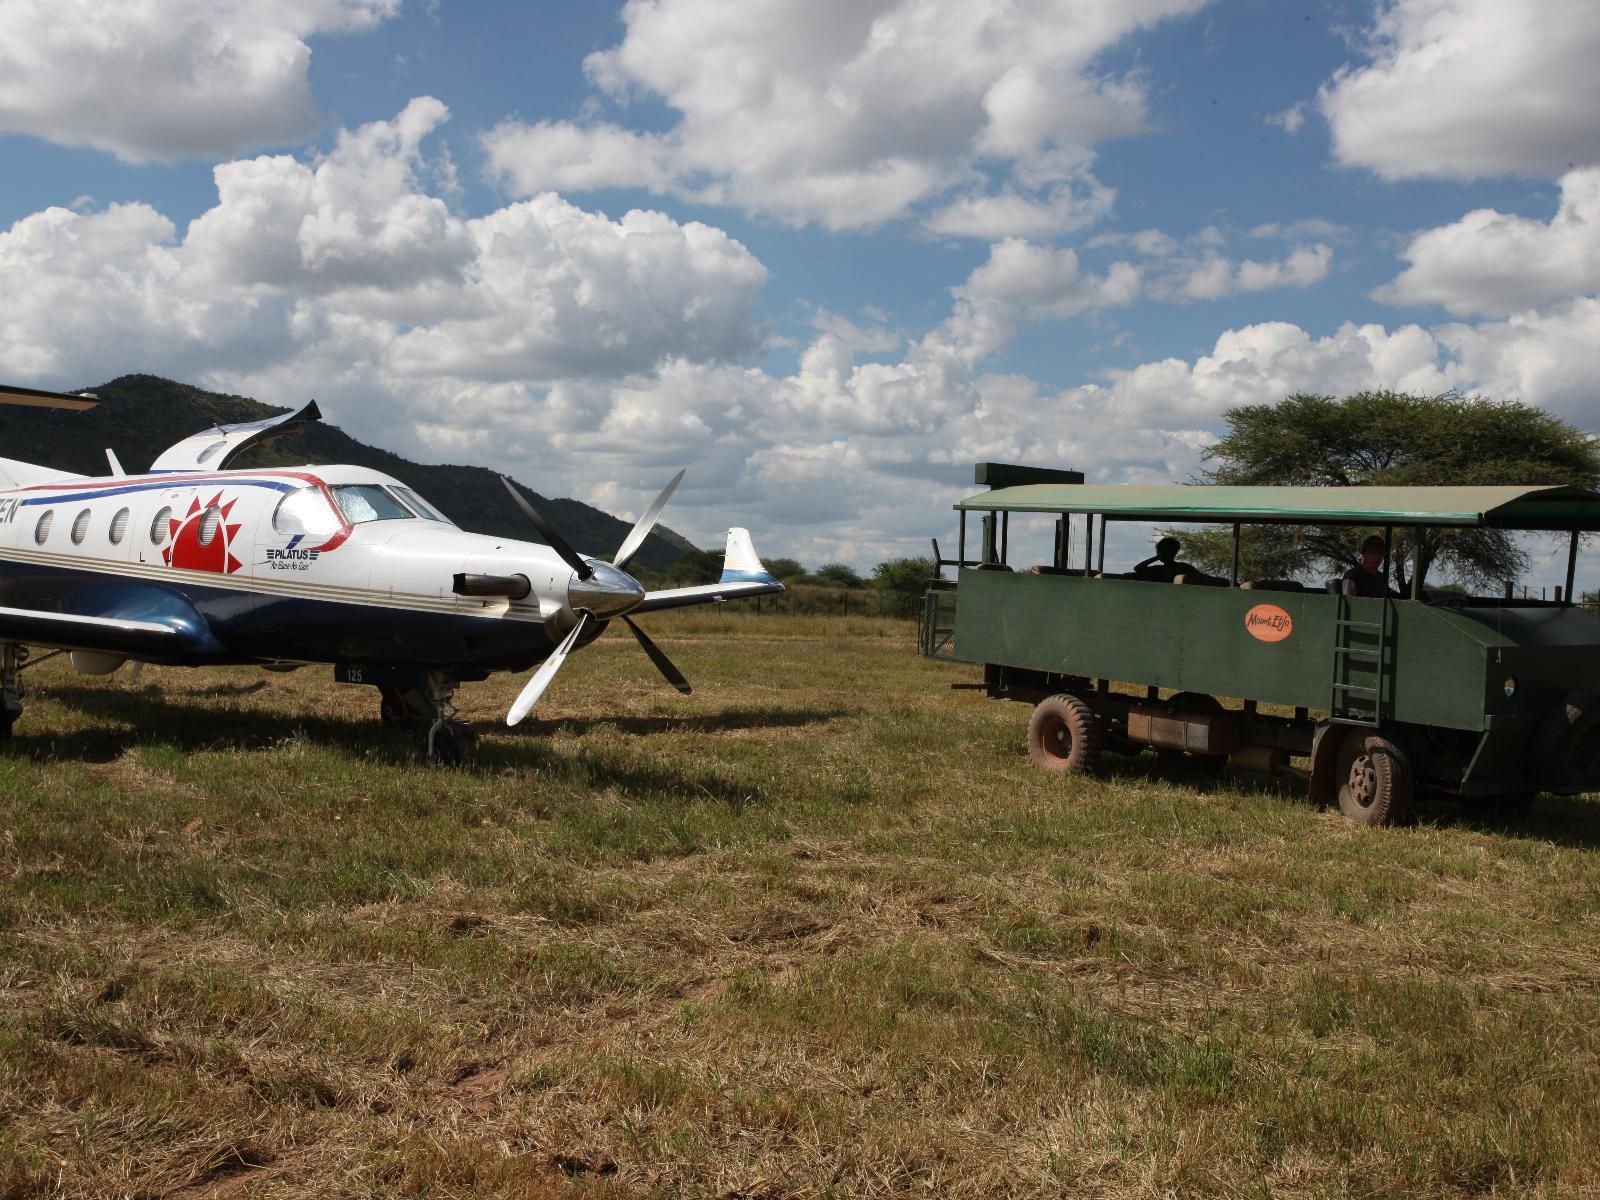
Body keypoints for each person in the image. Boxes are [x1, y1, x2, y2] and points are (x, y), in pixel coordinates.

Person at [1133, 536, 1200, 583]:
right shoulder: (1158, 569)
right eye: (1159, 552)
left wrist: (1157, 557)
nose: (1161, 554)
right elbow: (1137, 569)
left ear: (1173, 552)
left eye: (1165, 551)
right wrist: (1157, 557)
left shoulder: (1184, 568)